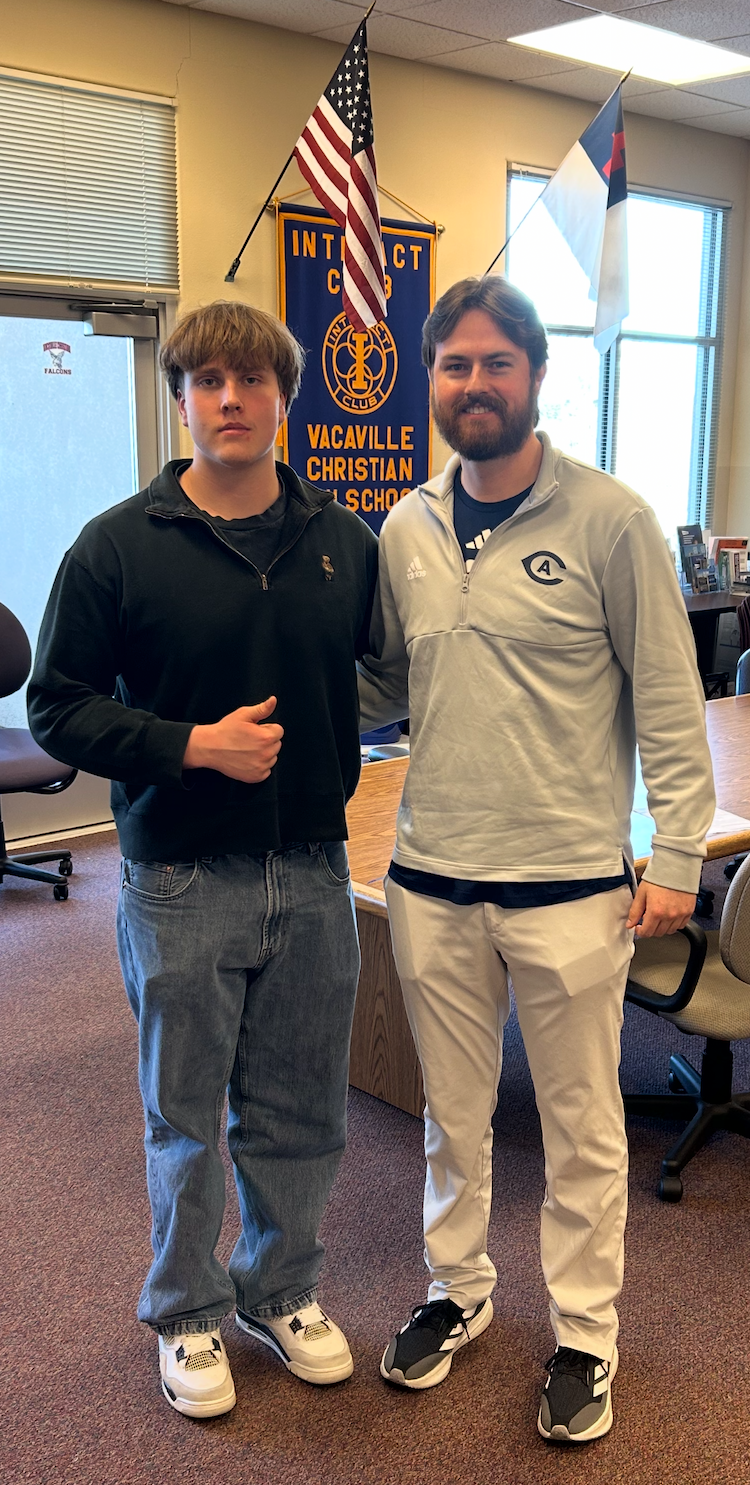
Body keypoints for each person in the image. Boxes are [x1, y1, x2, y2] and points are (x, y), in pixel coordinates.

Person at [357, 276, 714, 1443]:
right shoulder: (404, 528)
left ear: (536, 377)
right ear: (433, 383)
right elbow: (385, 682)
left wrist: (676, 852)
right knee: (453, 1118)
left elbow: (671, 699)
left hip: (569, 888)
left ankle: (586, 1338)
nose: (473, 385)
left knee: (580, 1129)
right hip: (433, 881)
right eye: (453, 366)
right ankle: (457, 1293)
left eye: (494, 364)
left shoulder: (611, 519)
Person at [28, 300, 378, 1420]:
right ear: (181, 399)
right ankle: (184, 1312)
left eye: (253, 380)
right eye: (208, 381)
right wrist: (188, 748)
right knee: (184, 1112)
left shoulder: (342, 539)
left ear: (284, 397)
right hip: (179, 878)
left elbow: (400, 668)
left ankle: (280, 1288)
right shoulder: (117, 545)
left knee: (302, 1107)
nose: (231, 399)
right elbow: (56, 707)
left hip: (315, 872)